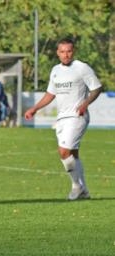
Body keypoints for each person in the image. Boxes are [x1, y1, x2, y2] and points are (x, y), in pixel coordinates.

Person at [25, 37, 102, 201]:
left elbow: (96, 88)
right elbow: (50, 94)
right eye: (62, 52)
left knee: (64, 151)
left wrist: (85, 103)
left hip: (77, 116)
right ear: (57, 53)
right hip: (62, 118)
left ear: (73, 52)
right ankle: (85, 191)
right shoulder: (55, 70)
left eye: (69, 51)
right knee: (73, 154)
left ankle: (76, 186)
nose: (66, 55)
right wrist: (35, 108)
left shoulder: (82, 68)